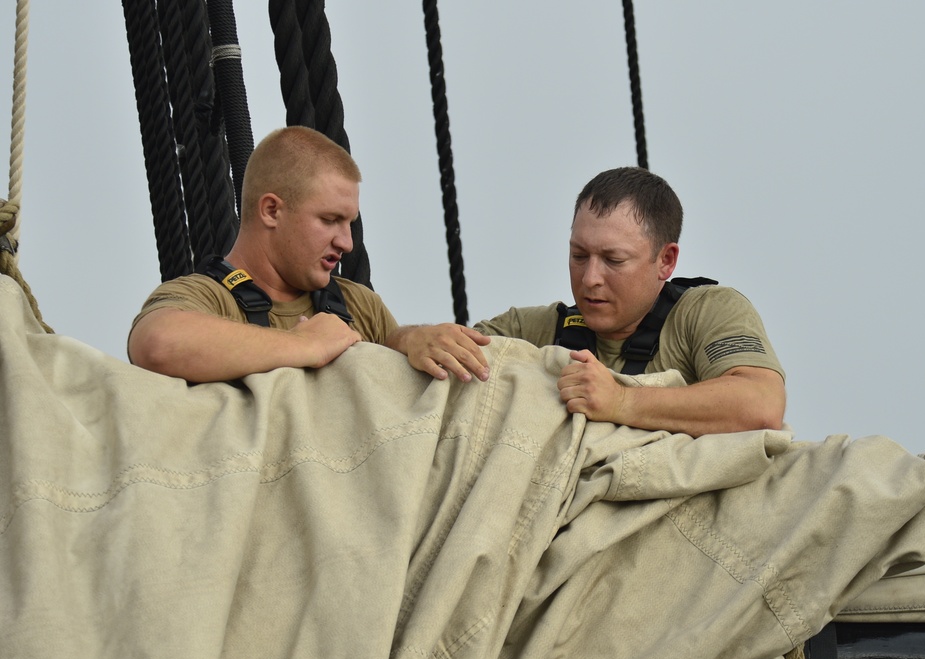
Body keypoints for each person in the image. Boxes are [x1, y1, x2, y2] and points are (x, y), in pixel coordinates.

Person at [129, 126, 490, 384]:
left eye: (348, 222)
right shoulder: (206, 298)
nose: (346, 243)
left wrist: (410, 340)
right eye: (330, 220)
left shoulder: (358, 304)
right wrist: (301, 345)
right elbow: (157, 344)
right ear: (271, 211)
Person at [474, 167, 786, 438]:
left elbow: (761, 404)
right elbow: (447, 360)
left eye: (613, 259)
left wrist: (620, 401)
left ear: (665, 260)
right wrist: (422, 340)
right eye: (579, 256)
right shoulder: (531, 330)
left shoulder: (706, 312)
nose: (590, 278)